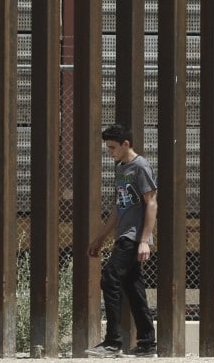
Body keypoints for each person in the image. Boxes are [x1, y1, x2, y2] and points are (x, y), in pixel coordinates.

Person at [85, 124, 158, 357]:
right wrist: (101, 237)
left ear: (126, 144)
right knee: (133, 288)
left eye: (113, 147)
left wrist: (145, 240)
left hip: (134, 236)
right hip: (123, 234)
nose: (110, 152)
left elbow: (152, 203)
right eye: (108, 148)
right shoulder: (121, 167)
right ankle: (147, 343)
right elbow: (120, 207)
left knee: (110, 277)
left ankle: (113, 342)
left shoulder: (141, 166)